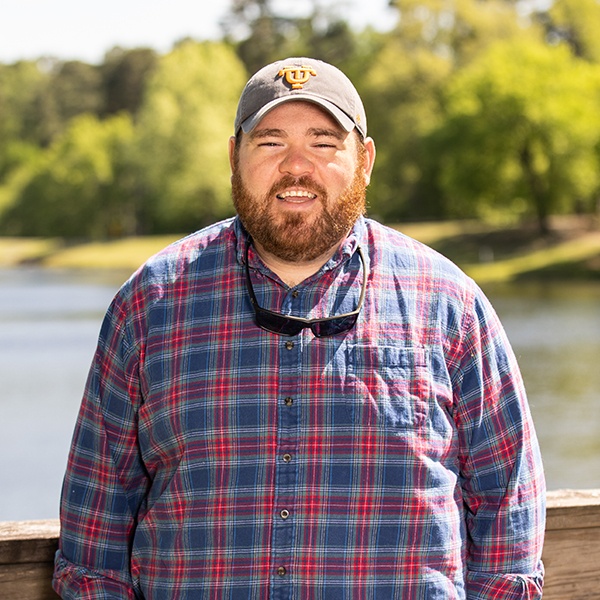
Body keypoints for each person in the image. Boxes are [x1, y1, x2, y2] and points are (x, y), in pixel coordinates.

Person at [53, 57, 546, 599]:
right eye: (270, 142)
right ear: (233, 157)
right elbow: (92, 539)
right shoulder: (149, 306)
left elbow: (509, 516)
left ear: (365, 159)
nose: (296, 166)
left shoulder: (451, 305)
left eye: (323, 141)